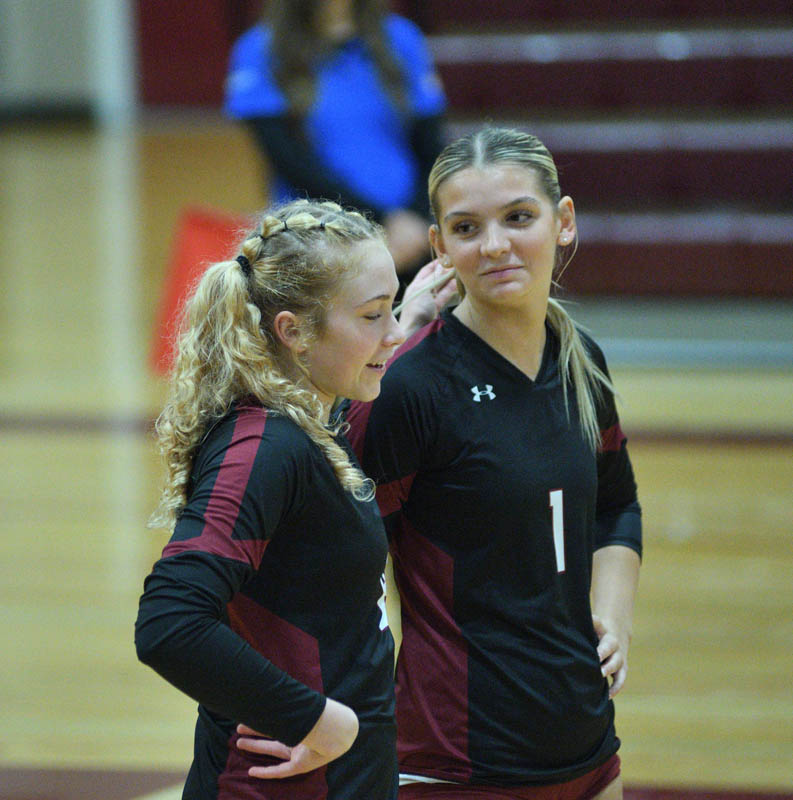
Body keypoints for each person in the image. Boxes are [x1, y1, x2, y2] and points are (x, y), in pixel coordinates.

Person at [345, 127, 643, 799]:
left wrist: (612, 613)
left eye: (518, 217)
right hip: (457, 762)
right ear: (440, 246)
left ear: (561, 222)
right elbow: (329, 545)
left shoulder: (581, 360)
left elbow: (615, 504)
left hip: (586, 745)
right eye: (467, 227)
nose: (496, 245)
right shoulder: (413, 385)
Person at [135, 198, 405, 799]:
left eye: (397, 307)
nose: (397, 332)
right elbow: (169, 623)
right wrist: (318, 720)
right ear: (293, 331)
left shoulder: (311, 414)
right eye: (374, 315)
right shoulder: (264, 445)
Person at [224, 0, 447, 278]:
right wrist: (378, 223)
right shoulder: (261, 49)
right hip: (313, 243)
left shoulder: (401, 38)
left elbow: (431, 147)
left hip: (409, 240)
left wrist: (413, 220)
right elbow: (288, 160)